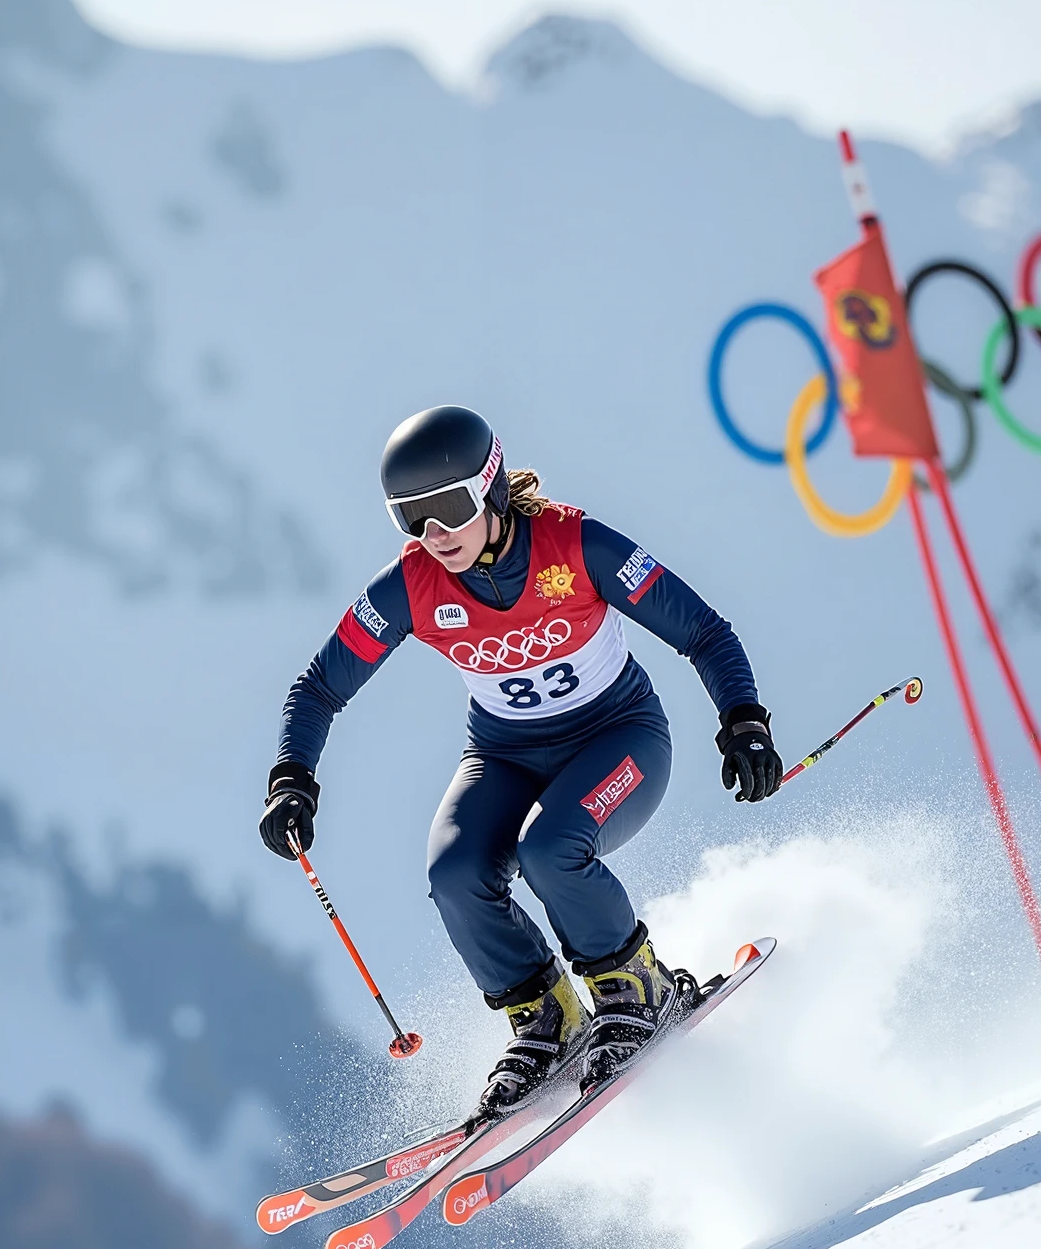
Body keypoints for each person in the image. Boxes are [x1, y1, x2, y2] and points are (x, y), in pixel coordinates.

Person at [260, 405, 781, 1120]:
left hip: (618, 739)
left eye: (448, 507)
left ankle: (638, 988)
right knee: (454, 873)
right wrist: (293, 778)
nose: (433, 535)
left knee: (550, 850)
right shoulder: (412, 586)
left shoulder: (577, 545)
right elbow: (319, 686)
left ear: (494, 488)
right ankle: (547, 1017)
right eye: (410, 518)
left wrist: (743, 719)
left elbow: (704, 631)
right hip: (503, 755)